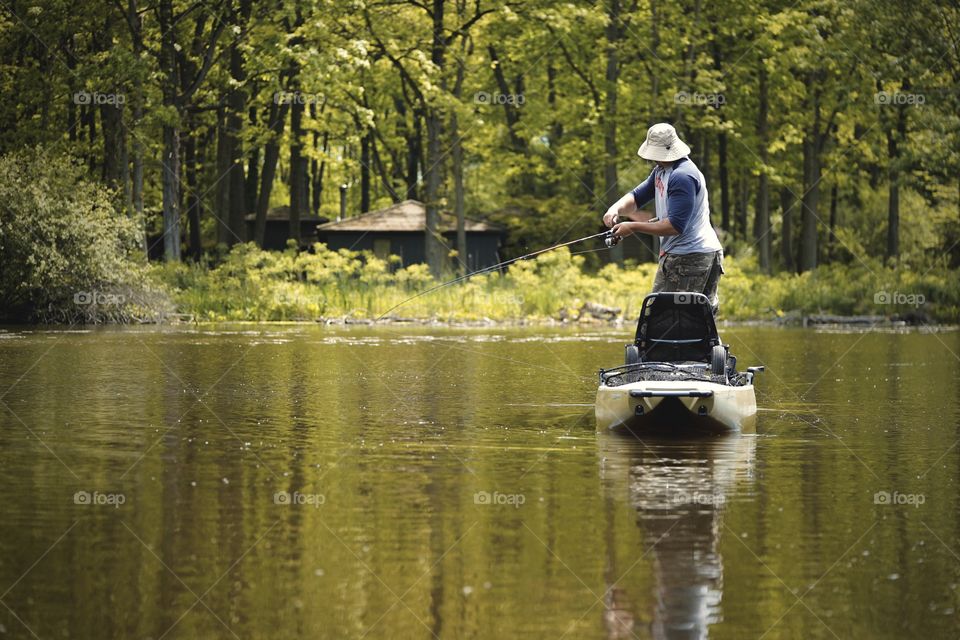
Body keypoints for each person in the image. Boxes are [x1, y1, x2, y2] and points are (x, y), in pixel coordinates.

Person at [603, 123, 724, 315]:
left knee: (664, 319)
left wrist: (633, 227)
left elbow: (675, 226)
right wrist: (615, 209)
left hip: (690, 258)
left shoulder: (682, 176)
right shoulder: (661, 171)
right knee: (694, 320)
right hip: (694, 255)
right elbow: (637, 197)